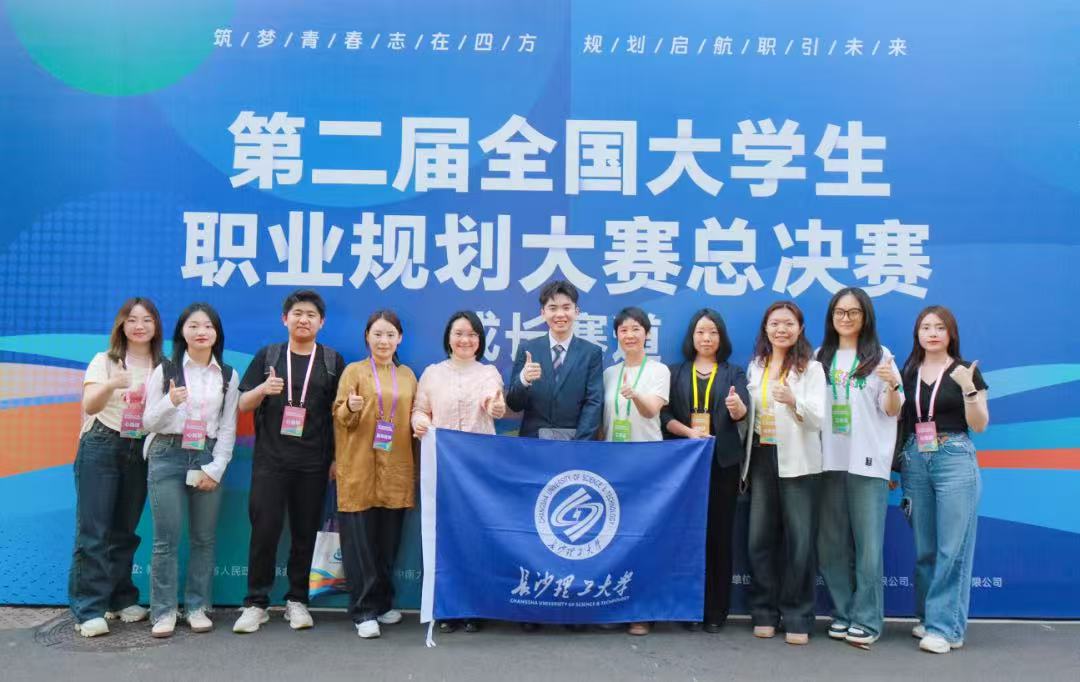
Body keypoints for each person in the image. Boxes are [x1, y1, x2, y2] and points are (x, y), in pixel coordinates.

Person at [233, 290, 346, 634]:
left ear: (321, 322)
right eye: (297, 313)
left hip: (314, 463)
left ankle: (297, 600)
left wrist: (337, 458)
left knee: (304, 533)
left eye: (311, 315)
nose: (303, 320)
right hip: (271, 461)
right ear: (285, 319)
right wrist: (263, 389)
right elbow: (242, 404)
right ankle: (256, 603)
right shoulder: (268, 356)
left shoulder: (331, 361)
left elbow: (340, 415)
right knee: (264, 531)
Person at [506, 279, 604, 632]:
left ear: (576, 312)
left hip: (575, 452)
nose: (559, 314)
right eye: (552, 308)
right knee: (534, 527)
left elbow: (594, 401)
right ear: (542, 313)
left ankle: (571, 606)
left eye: (566, 308)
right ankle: (532, 605)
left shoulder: (591, 353)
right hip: (533, 451)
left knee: (571, 531)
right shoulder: (528, 349)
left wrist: (579, 444)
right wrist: (524, 380)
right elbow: (513, 402)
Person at [142, 303, 240, 638]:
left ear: (217, 333)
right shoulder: (165, 369)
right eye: (194, 325)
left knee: (203, 538)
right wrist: (170, 401)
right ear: (182, 331)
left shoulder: (227, 375)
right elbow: (147, 422)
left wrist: (217, 468)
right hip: (166, 454)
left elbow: (228, 428)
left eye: (208, 326)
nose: (201, 332)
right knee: (166, 540)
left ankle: (197, 607)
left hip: (205, 456)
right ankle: (164, 611)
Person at [69, 298, 164, 637]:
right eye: (132, 319)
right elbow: (90, 404)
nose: (139, 326)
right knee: (94, 530)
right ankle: (89, 609)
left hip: (140, 447)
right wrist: (111, 384)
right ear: (122, 325)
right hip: (102, 444)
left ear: (156, 326)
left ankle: (121, 598)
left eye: (147, 319)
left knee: (125, 529)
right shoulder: (105, 361)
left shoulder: (164, 366)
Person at [814, 288, 904, 647]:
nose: (846, 318)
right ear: (831, 317)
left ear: (865, 317)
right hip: (828, 461)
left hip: (867, 461)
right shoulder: (819, 357)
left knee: (868, 546)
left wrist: (893, 383)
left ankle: (867, 619)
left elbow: (892, 408)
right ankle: (843, 612)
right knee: (831, 544)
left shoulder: (881, 356)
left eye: (853, 312)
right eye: (840, 312)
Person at [899, 305, 989, 654]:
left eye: (940, 327)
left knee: (953, 547)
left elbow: (979, 424)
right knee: (925, 548)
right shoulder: (908, 371)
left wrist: (968, 389)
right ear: (917, 333)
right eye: (926, 327)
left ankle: (946, 628)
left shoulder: (966, 372)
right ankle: (928, 617)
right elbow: (900, 420)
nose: (933, 333)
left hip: (954, 457)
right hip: (915, 457)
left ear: (951, 333)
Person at [412, 310, 505, 634]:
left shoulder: (489, 372)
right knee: (445, 536)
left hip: (480, 470)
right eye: (459, 333)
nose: (465, 340)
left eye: (472, 334)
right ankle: (447, 607)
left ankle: (474, 607)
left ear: (480, 340)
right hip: (444, 468)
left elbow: (494, 402)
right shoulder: (432, 374)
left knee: (478, 536)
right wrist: (420, 422)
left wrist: (494, 407)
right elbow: (420, 411)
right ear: (448, 338)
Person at [740, 301, 825, 646]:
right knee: (759, 538)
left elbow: (818, 419)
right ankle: (763, 612)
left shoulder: (812, 368)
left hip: (799, 461)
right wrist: (738, 411)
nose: (781, 329)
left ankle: (798, 616)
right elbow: (751, 416)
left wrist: (793, 400)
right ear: (766, 328)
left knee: (799, 541)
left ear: (800, 329)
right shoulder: (756, 366)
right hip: (762, 455)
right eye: (775, 323)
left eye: (788, 323)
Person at [659, 308, 748, 634]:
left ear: (721, 338)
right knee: (686, 536)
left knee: (720, 537)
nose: (706, 338)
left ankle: (715, 610)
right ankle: (687, 607)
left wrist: (737, 409)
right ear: (692, 337)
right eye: (700, 332)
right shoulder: (676, 372)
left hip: (722, 464)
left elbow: (743, 412)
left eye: (713, 332)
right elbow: (664, 414)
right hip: (684, 465)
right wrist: (687, 432)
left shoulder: (734, 373)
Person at [333, 310, 418, 639]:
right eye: (378, 334)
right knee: (361, 546)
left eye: (390, 335)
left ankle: (382, 604)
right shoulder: (354, 372)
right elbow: (339, 417)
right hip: (360, 468)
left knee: (388, 543)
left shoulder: (407, 375)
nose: (384, 341)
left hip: (396, 469)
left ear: (400, 339)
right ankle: (363, 611)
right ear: (367, 337)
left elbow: (414, 419)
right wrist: (350, 408)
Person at [601, 307, 670, 636]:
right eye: (623, 330)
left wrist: (636, 395)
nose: (629, 335)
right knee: (614, 538)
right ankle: (614, 604)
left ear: (647, 334)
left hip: (647, 464)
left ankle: (642, 611)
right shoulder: (608, 373)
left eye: (636, 329)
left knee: (644, 537)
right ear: (616, 335)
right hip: (613, 464)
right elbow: (602, 423)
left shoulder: (658, 370)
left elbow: (652, 410)